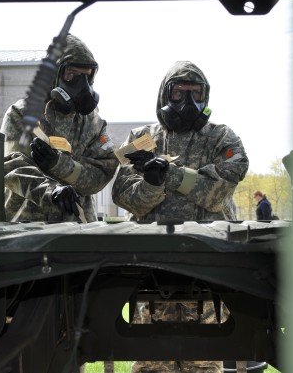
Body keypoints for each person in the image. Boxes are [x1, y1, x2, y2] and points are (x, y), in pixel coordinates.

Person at [112, 60, 249, 373]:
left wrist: (170, 175)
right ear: (165, 93)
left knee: (204, 361)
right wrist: (151, 183)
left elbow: (218, 193)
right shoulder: (141, 137)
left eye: (195, 92)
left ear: (206, 96)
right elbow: (123, 196)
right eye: (179, 93)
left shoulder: (222, 138)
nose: (187, 101)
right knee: (150, 362)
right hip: (151, 274)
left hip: (206, 276)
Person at [1, 34, 118, 223]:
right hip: (27, 226)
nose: (81, 85)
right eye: (71, 74)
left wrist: (61, 165)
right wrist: (52, 191)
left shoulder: (94, 123)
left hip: (77, 227)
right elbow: (13, 167)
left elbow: (103, 172)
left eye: (86, 76)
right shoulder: (21, 113)